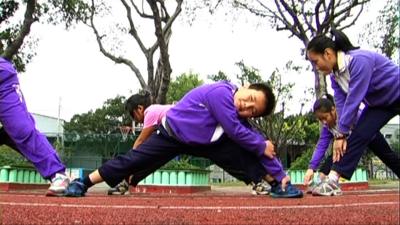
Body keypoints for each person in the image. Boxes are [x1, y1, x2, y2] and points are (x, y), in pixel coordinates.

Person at [65, 81, 303, 198]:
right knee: (136, 159)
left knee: (244, 150)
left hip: (207, 143)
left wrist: (281, 173)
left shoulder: (238, 117)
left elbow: (253, 140)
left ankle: (276, 184)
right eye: (250, 98)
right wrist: (261, 144)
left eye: (253, 110)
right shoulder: (221, 93)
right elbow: (236, 131)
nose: (247, 106)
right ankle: (84, 182)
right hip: (173, 134)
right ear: (245, 86)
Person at [108, 92, 274, 196]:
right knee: (152, 159)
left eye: (133, 115)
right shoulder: (156, 111)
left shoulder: (150, 112)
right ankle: (125, 182)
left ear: (139, 109)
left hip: (188, 130)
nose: (135, 119)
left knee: (227, 153)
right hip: (178, 136)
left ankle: (259, 179)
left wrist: (132, 158)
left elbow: (141, 141)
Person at [306, 28, 400, 196]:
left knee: (362, 139)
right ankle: (333, 180)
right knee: (359, 134)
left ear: (328, 53)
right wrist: (341, 135)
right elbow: (341, 104)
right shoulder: (335, 77)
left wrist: (341, 133)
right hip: (380, 104)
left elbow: (354, 100)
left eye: (315, 61)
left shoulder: (358, 60)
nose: (316, 67)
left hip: (397, 91)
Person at [0, 56, 70, 196]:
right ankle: (8, 133)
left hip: (2, 80)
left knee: (21, 128)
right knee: (15, 130)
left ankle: (57, 174)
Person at [303, 94, 400, 194]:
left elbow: (367, 125)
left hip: (370, 136)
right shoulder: (327, 127)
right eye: (320, 120)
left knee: (389, 157)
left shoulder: (349, 114)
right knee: (336, 154)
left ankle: (331, 179)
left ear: (333, 110)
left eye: (325, 117)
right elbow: (321, 146)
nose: (324, 122)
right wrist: (311, 168)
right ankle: (320, 180)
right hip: (348, 145)